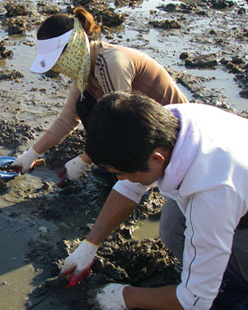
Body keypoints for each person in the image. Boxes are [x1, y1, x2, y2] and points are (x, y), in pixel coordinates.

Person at [62, 91, 248, 310]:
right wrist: (90, 244)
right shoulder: (168, 122)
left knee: (203, 292)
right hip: (243, 193)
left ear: (156, 158)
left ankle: (237, 304)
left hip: (239, 203)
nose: (121, 179)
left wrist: (125, 296)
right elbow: (129, 187)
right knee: (174, 226)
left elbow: (194, 300)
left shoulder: (211, 193)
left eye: (122, 172)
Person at [13, 8, 187, 185]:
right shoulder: (84, 72)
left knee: (107, 114)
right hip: (141, 127)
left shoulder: (111, 63)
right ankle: (113, 162)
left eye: (58, 59)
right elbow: (67, 120)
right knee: (84, 105)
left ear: (74, 46)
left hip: (175, 135)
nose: (57, 67)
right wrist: (31, 153)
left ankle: (131, 168)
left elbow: (123, 123)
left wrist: (84, 159)